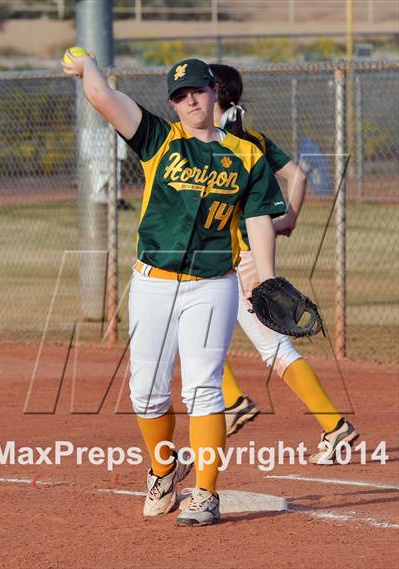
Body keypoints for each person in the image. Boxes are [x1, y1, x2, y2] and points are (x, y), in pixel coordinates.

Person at [62, 54, 287, 526]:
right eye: (181, 96)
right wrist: (90, 68)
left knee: (204, 388)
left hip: (213, 284)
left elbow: (258, 218)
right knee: (145, 392)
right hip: (153, 283)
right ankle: (165, 471)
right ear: (173, 102)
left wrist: (265, 276)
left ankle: (206, 493)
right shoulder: (160, 140)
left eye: (198, 91)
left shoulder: (246, 155)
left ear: (214, 94)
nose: (191, 101)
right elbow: (104, 98)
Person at [209, 64, 358, 461]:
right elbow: (299, 177)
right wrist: (287, 218)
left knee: (276, 350)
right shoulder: (252, 138)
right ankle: (233, 401)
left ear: (216, 97)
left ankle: (333, 426)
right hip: (236, 258)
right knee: (197, 327)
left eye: (204, 89)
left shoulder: (218, 143)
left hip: (239, 261)